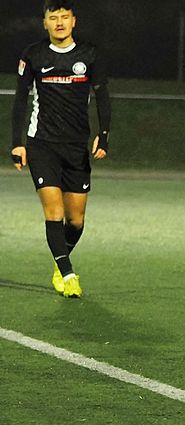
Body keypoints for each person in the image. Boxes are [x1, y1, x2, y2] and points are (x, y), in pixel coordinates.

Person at [10, 0, 111, 299]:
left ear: (73, 21)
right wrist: (17, 142)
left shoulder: (89, 55)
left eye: (64, 17)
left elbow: (102, 97)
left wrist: (103, 135)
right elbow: (20, 100)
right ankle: (68, 274)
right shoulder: (33, 54)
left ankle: (59, 260)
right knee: (53, 211)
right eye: (53, 18)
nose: (59, 23)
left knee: (75, 220)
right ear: (45, 23)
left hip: (76, 148)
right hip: (42, 145)